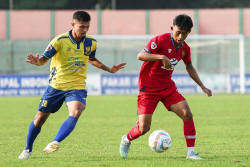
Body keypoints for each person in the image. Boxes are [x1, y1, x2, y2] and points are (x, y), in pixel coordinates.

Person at [18, 10, 126, 159]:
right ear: (73, 24)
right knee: (39, 119)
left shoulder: (91, 42)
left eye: (87, 27)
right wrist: (37, 62)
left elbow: (92, 59)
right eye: (82, 26)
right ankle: (27, 149)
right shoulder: (59, 40)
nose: (85, 30)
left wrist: (109, 69)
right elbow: (43, 59)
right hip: (56, 86)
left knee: (76, 111)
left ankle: (55, 142)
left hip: (77, 86)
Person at [119, 14, 212, 160]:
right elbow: (140, 55)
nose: (180, 37)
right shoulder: (160, 40)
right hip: (148, 89)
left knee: (187, 114)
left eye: (185, 33)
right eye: (178, 32)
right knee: (144, 128)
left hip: (167, 88)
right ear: (172, 28)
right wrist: (161, 57)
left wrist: (202, 86)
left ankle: (191, 153)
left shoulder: (185, 49)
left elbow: (189, 67)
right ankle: (126, 139)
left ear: (189, 33)